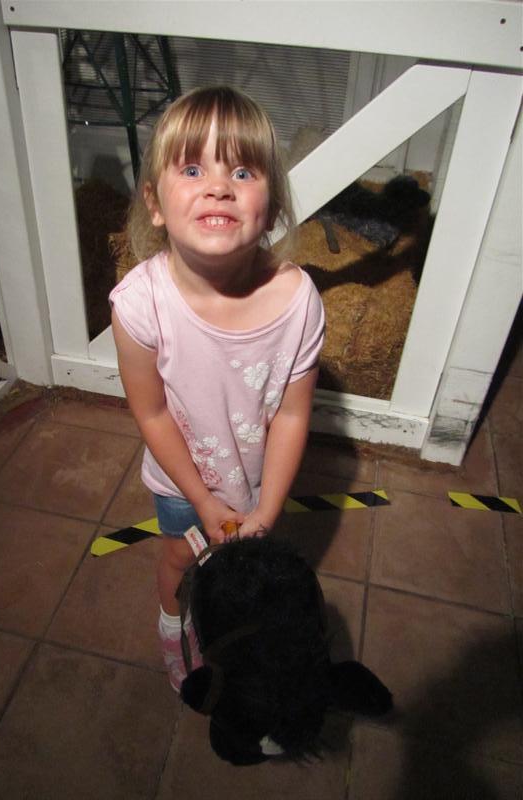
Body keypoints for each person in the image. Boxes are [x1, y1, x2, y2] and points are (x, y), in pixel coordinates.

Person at [110, 85, 325, 691]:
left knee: (243, 572)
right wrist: (204, 503)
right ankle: (172, 622)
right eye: (192, 169)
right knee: (183, 558)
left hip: (259, 481)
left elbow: (291, 416)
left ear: (272, 208)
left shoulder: (299, 301)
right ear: (154, 203)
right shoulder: (138, 306)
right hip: (185, 484)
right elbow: (153, 415)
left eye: (242, 171)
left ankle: (233, 627)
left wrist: (268, 510)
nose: (218, 187)